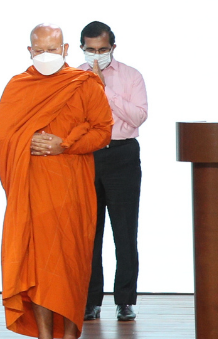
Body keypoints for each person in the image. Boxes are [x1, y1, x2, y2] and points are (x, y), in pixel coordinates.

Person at [0, 24, 113, 339]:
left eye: (52, 49)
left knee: (71, 264)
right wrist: (25, 140)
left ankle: (71, 334)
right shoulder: (19, 86)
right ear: (29, 51)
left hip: (73, 189)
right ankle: (46, 336)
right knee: (40, 267)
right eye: (40, 49)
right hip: (34, 190)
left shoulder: (84, 84)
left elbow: (103, 131)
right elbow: (1, 136)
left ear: (66, 49)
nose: (46, 55)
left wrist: (65, 144)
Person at [74, 22, 148, 322]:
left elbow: (138, 116)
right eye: (90, 50)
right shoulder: (74, 77)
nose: (96, 55)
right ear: (81, 48)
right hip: (88, 156)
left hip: (123, 154)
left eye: (102, 50)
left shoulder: (131, 76)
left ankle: (125, 300)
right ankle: (91, 300)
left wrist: (104, 89)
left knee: (125, 231)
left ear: (112, 48)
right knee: (89, 232)